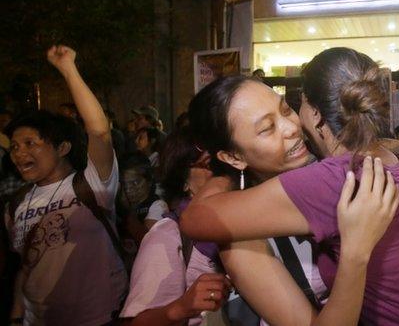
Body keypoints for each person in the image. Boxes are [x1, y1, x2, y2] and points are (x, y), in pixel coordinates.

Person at [182, 48, 399, 325]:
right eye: (267, 128)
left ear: (317, 114)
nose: (291, 128)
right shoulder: (242, 237)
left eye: (287, 109)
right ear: (233, 155)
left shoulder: (331, 177)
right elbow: (194, 220)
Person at [4, 45, 126, 325]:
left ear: (62, 147)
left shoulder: (92, 185)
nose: (19, 154)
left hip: (98, 318)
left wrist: (68, 69)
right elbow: (25, 267)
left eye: (30, 144)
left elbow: (98, 130)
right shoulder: (15, 204)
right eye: (14, 147)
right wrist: (15, 315)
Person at [120, 129, 231, 326]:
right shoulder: (168, 235)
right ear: (183, 181)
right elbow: (135, 323)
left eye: (225, 161)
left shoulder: (244, 223)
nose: (222, 173)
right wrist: (182, 307)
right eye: (209, 165)